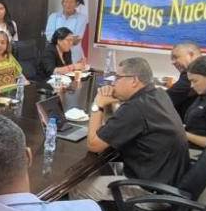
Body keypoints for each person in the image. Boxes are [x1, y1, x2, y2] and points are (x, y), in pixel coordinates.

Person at [76, 57, 189, 200]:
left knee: (78, 187)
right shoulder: (158, 94)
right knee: (97, 170)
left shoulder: (136, 108)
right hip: (167, 181)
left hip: (150, 192)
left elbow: (94, 145)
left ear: (134, 80)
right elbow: (117, 125)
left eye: (117, 78)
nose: (113, 82)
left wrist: (97, 104)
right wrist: (111, 101)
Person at [44, 0, 88, 64]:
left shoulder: (82, 18)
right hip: (55, 55)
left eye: (71, 2)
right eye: (66, 1)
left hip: (74, 57)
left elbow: (76, 39)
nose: (68, 4)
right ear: (62, 3)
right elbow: (49, 36)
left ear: (76, 4)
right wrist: (68, 40)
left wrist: (59, 39)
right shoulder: (53, 16)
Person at [166, 42, 201, 118]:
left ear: (191, 55)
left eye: (176, 57)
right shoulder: (201, 71)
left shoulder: (193, 73)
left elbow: (165, 100)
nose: (173, 62)